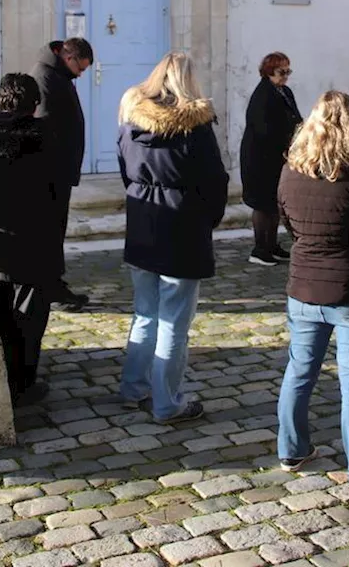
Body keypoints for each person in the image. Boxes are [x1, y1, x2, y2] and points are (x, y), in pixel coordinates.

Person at [275, 92, 349, 488]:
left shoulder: (291, 171)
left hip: (305, 285)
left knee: (300, 370)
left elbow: (289, 224)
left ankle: (291, 448)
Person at [116, 52, 228, 424]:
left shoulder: (131, 121)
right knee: (174, 321)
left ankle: (134, 386)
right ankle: (167, 402)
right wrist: (207, 220)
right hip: (182, 227)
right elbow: (215, 180)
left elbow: (124, 172)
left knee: (145, 313)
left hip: (144, 223)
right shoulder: (195, 127)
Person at [0, 73, 56, 403]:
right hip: (30, 240)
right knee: (29, 317)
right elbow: (51, 191)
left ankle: (1, 376)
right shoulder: (41, 141)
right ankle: (23, 383)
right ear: (33, 104)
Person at [30, 36, 94, 311]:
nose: (81, 74)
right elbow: (44, 127)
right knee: (48, 233)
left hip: (58, 171)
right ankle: (50, 287)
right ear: (69, 58)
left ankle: (53, 283)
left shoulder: (57, 75)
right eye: (80, 68)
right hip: (50, 174)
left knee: (54, 231)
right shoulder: (46, 77)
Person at [241, 52, 304, 266]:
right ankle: (260, 248)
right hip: (261, 158)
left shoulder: (284, 91)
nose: (286, 76)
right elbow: (264, 129)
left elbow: (295, 117)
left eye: (288, 71)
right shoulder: (263, 95)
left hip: (279, 157)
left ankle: (272, 244)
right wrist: (286, 138)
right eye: (281, 72)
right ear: (269, 72)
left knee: (275, 203)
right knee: (262, 203)